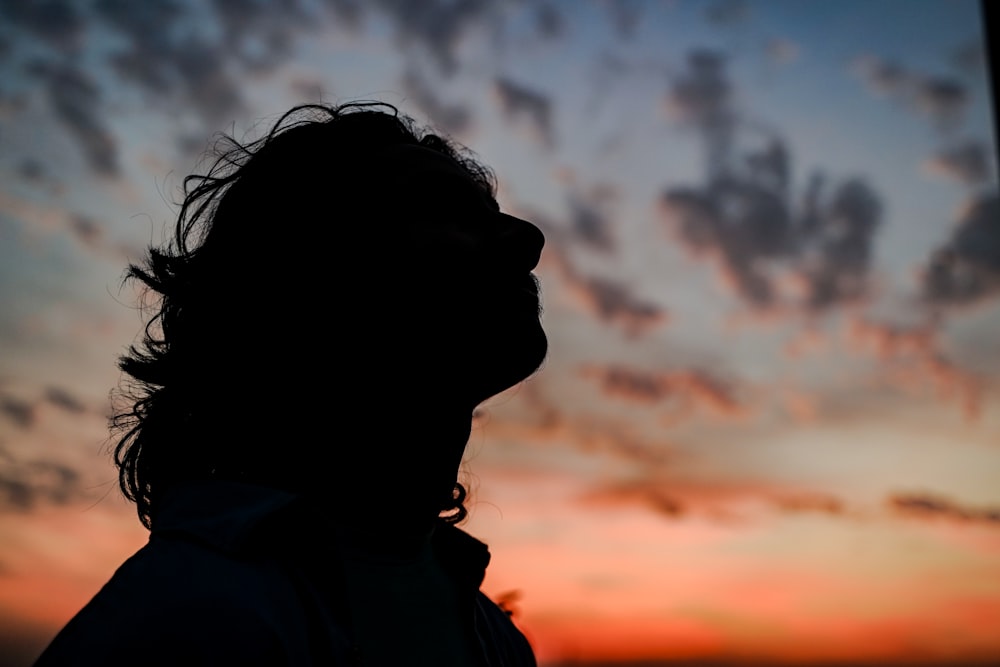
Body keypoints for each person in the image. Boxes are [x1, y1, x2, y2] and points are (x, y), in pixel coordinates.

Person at [34, 102, 547, 666]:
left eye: (495, 214)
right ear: (297, 280)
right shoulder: (184, 621)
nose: (526, 239)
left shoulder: (495, 640)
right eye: (442, 208)